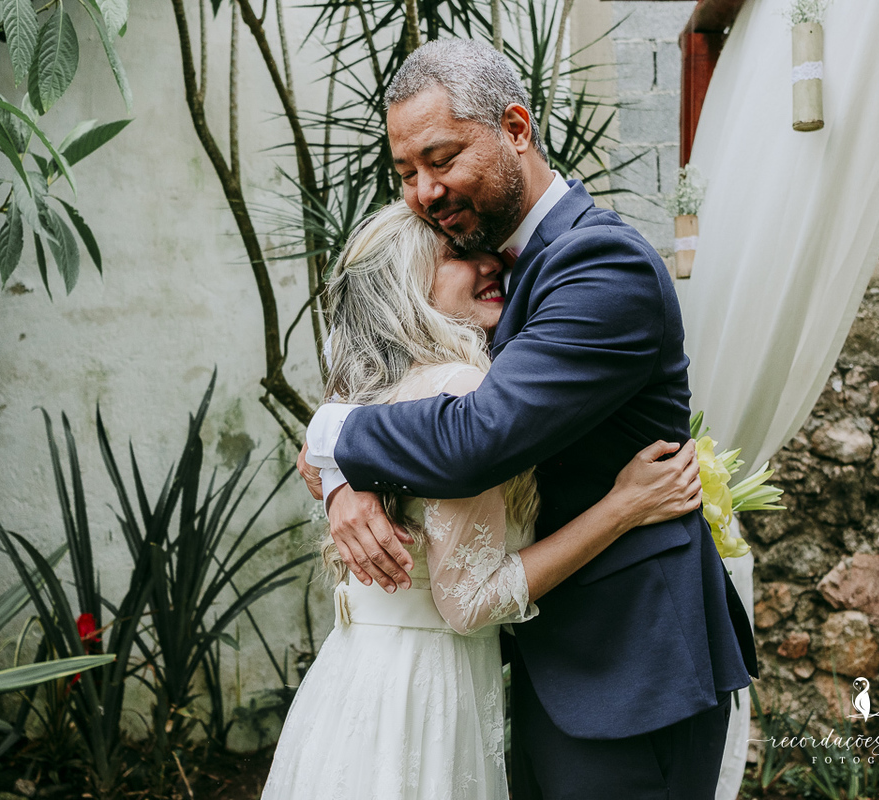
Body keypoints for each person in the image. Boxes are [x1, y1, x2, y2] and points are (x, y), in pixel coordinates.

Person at [300, 39, 758, 799]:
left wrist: (331, 438)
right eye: (406, 173)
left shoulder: (599, 265)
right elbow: (400, 399)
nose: (423, 191)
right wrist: (342, 478)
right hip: (530, 665)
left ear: (515, 129)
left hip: (628, 671)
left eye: (440, 159)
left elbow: (477, 439)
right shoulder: (485, 276)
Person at [262, 201, 702, 800]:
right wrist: (622, 506)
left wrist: (329, 462)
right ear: (408, 285)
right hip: (425, 694)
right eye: (458, 256)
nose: (491, 263)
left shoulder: (367, 395)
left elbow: (340, 439)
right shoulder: (459, 387)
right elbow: (468, 601)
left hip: (354, 686)